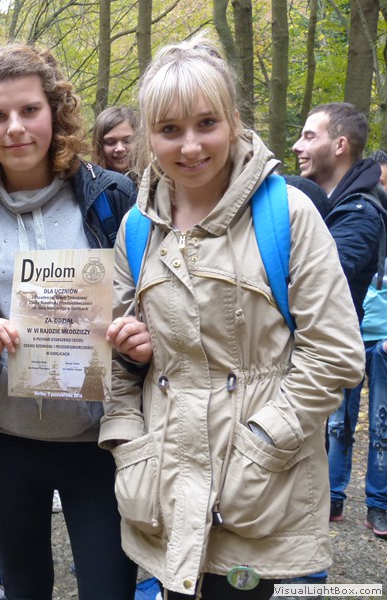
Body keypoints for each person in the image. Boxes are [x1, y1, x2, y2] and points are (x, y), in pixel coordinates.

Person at [100, 35, 365, 599]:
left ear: (234, 120)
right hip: (165, 487)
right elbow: (119, 367)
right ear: (150, 137)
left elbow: (335, 353)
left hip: (261, 493)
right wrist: (128, 431)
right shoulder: (137, 228)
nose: (190, 145)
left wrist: (261, 446)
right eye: (170, 129)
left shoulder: (287, 214)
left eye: (206, 123)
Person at [0, 44, 137, 599]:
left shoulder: (112, 197)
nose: (15, 128)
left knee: (109, 590)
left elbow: (155, 305)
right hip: (5, 442)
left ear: (56, 112)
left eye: (29, 110)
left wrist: (139, 340)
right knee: (23, 589)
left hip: (101, 439)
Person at [293, 103, 386, 530]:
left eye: (310, 136)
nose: (298, 146)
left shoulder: (361, 212)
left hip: (322, 359)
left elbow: (309, 282)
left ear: (340, 145)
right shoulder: (321, 203)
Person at [91, 106, 138, 178]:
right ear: (98, 146)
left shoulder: (153, 180)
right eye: (110, 142)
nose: (120, 149)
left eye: (127, 141)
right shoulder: (86, 182)